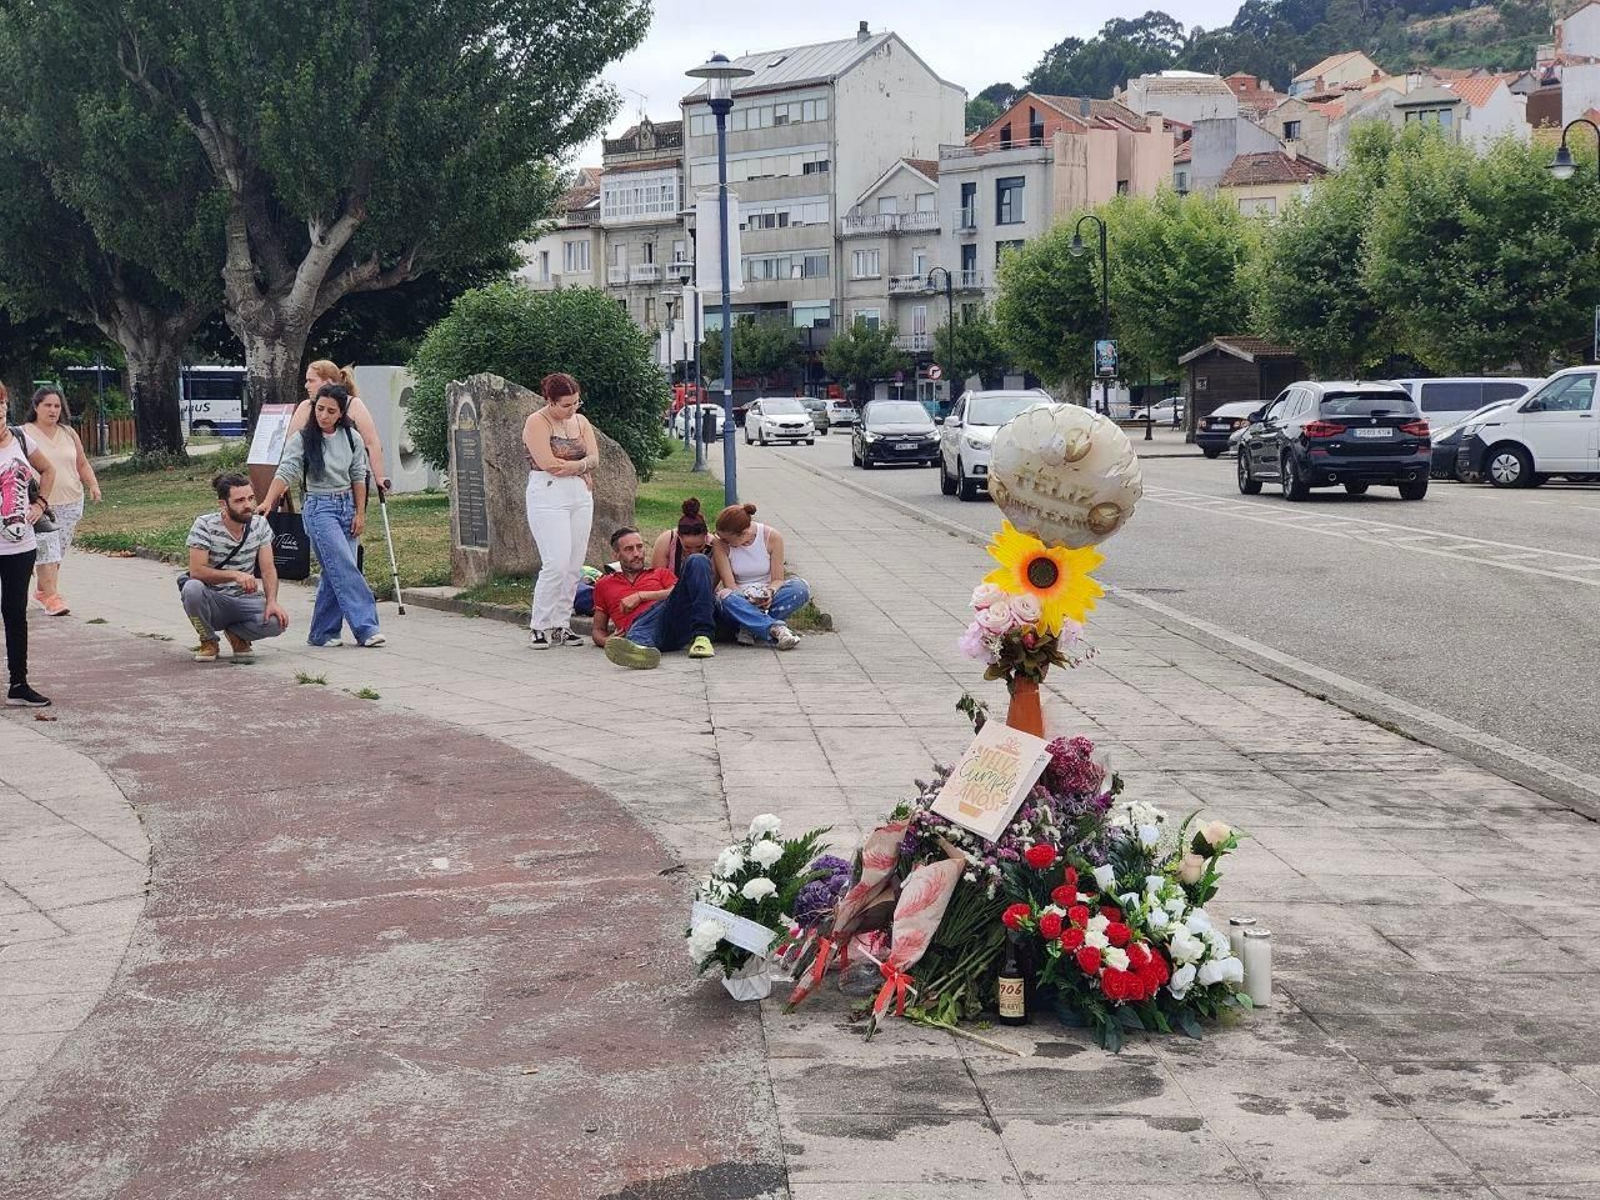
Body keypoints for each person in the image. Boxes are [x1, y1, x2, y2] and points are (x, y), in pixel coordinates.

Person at [258, 383, 385, 649]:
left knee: (334, 569)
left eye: (330, 411)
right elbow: (286, 470)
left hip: (347, 506)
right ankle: (367, 627)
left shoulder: (352, 437)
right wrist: (269, 501)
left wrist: (360, 513)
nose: (323, 415)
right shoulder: (303, 439)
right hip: (319, 508)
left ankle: (323, 632)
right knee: (344, 566)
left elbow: (358, 476)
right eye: (319, 409)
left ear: (341, 413)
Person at [523, 372, 599, 649]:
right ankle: (539, 624)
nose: (572, 409)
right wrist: (579, 468)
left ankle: (561, 623)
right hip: (548, 493)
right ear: (550, 401)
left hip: (579, 494)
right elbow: (547, 462)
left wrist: (578, 467)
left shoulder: (581, 422)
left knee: (574, 563)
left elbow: (594, 457)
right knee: (555, 561)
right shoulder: (537, 422)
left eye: (576, 403)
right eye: (565, 405)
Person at [182, 473, 290, 663]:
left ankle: (237, 634)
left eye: (250, 498)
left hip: (245, 599)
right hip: (213, 599)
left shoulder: (260, 525)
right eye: (239, 500)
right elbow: (197, 571)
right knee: (191, 589)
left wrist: (272, 601)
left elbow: (268, 569)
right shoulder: (204, 525)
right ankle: (208, 640)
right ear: (223, 504)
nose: (248, 505)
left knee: (276, 622)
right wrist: (234, 575)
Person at [23, 386, 101, 616]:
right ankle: (52, 597)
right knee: (49, 550)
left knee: (57, 553)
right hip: (40, 504)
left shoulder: (68, 433)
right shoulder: (23, 433)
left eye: (57, 406)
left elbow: (82, 463)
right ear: (36, 407)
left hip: (71, 501)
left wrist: (93, 485)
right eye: (47, 405)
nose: (53, 410)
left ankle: (42, 590)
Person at [593, 527, 716, 670]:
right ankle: (640, 650)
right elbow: (598, 629)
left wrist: (641, 596)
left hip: (670, 618)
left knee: (698, 559)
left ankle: (703, 637)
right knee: (637, 629)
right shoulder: (604, 584)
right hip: (640, 629)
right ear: (616, 555)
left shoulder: (660, 574)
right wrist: (607, 641)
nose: (637, 554)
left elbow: (679, 593)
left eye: (639, 547)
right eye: (629, 549)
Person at [0, 396, 56, 706]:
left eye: (1, 404)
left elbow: (47, 471)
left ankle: (18, 684)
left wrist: (40, 504)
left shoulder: (20, 438)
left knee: (15, 613)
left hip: (20, 545)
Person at [711, 503, 807, 651]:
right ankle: (775, 629)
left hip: (766, 594)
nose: (723, 542)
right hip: (740, 597)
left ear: (743, 533)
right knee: (725, 596)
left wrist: (770, 592)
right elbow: (729, 584)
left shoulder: (771, 537)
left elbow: (778, 579)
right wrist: (748, 599)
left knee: (800, 587)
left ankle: (749, 626)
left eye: (727, 540)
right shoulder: (720, 544)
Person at [287, 361, 389, 492]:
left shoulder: (354, 405)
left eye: (311, 381)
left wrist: (379, 477)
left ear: (327, 382)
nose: (306, 385)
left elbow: (372, 443)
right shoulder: (305, 407)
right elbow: (291, 447)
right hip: (315, 484)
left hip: (350, 483)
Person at [651, 497, 712, 573]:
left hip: (702, 583)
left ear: (706, 536)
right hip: (672, 583)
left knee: (698, 560)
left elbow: (712, 582)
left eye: (699, 546)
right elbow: (658, 577)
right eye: (687, 547)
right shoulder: (666, 541)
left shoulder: (713, 544)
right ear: (678, 536)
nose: (693, 552)